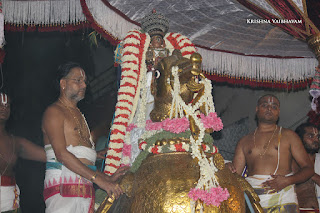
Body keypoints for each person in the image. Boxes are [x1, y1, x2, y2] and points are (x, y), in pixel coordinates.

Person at [42, 62, 128, 213]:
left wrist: (107, 178)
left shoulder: (79, 115)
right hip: (62, 192)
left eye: (84, 81)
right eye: (78, 80)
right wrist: (100, 180)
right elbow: (62, 155)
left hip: (84, 192)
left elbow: (82, 160)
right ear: (63, 83)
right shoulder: (54, 112)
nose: (83, 85)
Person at [229, 94, 314, 212]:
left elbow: (308, 169)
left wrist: (287, 181)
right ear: (257, 109)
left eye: (274, 107)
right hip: (253, 200)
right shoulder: (244, 141)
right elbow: (235, 176)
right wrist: (227, 168)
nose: (269, 109)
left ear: (278, 112)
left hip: (283, 198)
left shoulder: (289, 136)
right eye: (265, 105)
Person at [0, 92, 46, 213]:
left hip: (9, 204)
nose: (4, 107)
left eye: (7, 105)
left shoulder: (16, 142)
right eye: (0, 104)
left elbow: (52, 155)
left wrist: (88, 154)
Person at [293, 122, 320, 212]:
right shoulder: (289, 162)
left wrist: (308, 173)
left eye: (318, 137)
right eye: (311, 136)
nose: (316, 140)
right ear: (299, 139)